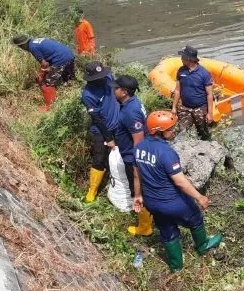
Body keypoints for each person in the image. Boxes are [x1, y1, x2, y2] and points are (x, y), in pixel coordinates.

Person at [133, 111, 222, 272]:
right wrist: (199, 196)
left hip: (152, 202)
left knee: (167, 230)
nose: (173, 131)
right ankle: (202, 245)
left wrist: (138, 196)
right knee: (195, 217)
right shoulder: (167, 153)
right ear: (159, 131)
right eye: (170, 129)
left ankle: (176, 267)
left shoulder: (138, 148)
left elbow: (136, 175)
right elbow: (180, 182)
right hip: (172, 201)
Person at [112, 75, 151, 236]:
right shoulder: (131, 103)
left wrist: (136, 167)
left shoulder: (131, 111)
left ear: (124, 92)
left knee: (138, 190)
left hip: (133, 157)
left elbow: (138, 141)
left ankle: (145, 227)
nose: (113, 90)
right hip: (130, 153)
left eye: (116, 88)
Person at [81, 61, 120, 203]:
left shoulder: (108, 77)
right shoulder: (88, 95)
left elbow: (117, 91)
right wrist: (108, 138)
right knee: (99, 159)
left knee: (117, 155)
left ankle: (114, 181)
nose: (103, 78)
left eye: (104, 75)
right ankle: (92, 191)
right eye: (99, 78)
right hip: (101, 130)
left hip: (118, 124)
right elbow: (96, 119)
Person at [12, 35, 75, 111]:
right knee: (68, 79)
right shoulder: (35, 41)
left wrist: (43, 74)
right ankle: (72, 97)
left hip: (60, 60)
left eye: (20, 47)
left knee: (47, 83)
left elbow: (45, 64)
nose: (21, 48)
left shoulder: (32, 48)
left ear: (23, 45)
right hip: (69, 55)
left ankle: (50, 106)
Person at [172, 45, 214, 141]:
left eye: (182, 56)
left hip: (200, 109)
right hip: (185, 108)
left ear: (189, 59)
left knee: (203, 132)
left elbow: (209, 94)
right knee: (183, 132)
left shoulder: (204, 73)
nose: (181, 58)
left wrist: (210, 113)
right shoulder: (181, 71)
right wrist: (174, 107)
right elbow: (177, 90)